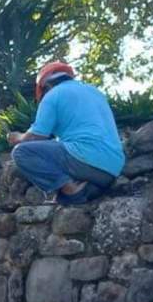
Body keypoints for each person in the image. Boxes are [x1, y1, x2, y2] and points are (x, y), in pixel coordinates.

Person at [8, 61, 125, 205]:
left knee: (21, 152)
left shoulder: (53, 95)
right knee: (64, 196)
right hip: (112, 169)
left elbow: (36, 135)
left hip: (84, 159)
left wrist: (19, 137)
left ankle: (70, 189)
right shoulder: (95, 92)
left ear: (46, 86)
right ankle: (84, 191)